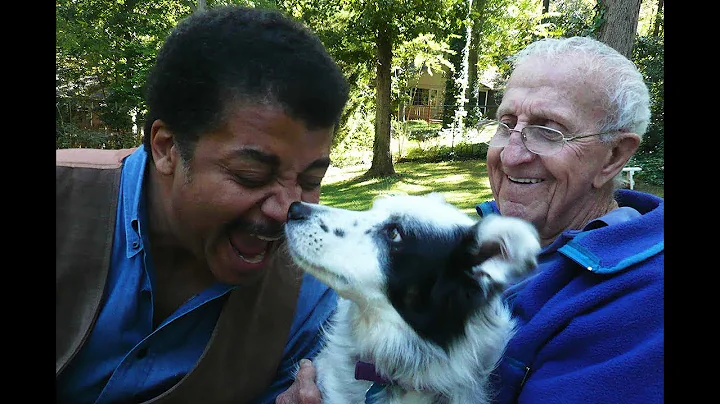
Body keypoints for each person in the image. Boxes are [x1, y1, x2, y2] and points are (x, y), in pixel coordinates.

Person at [282, 35, 664, 403]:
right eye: (506, 124)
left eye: (547, 131)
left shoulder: (643, 303)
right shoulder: (463, 239)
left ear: (614, 156)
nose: (511, 155)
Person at [56, 5, 348, 404]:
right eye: (251, 175)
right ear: (166, 148)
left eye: (310, 181)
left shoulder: (311, 301)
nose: (286, 211)